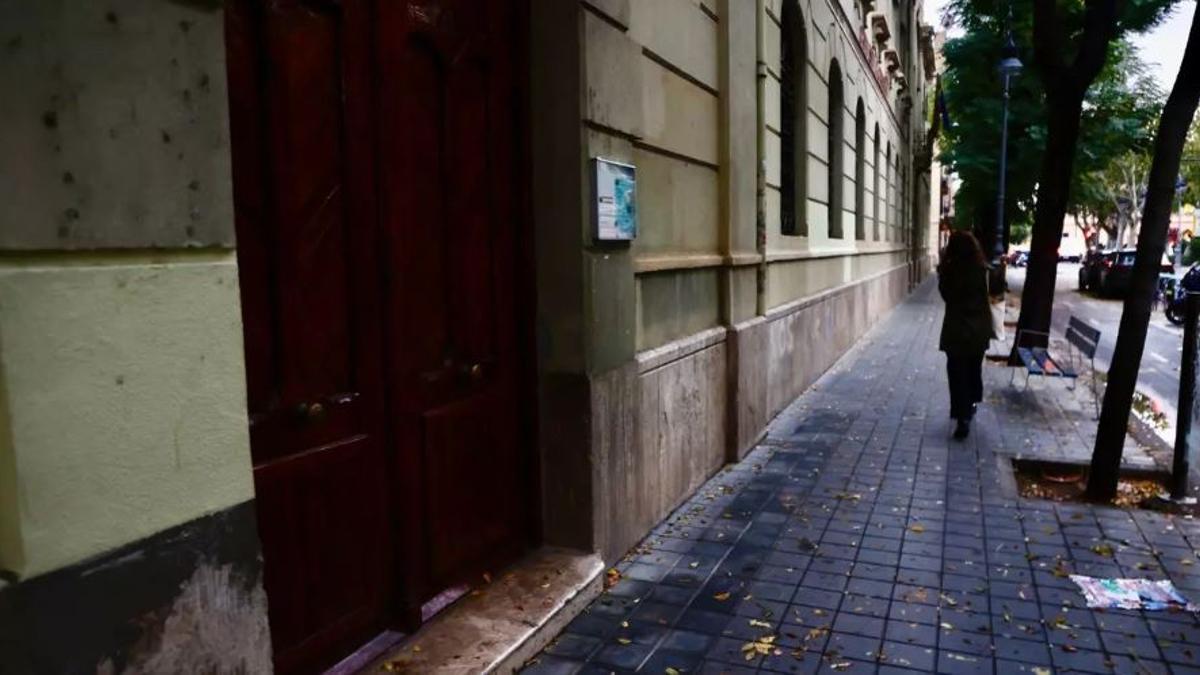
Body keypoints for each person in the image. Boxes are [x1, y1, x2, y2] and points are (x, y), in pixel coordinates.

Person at [938, 231, 997, 440]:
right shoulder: (982, 269)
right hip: (978, 329)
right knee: (973, 369)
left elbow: (946, 295)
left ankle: (962, 415)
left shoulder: (950, 270)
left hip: (956, 329)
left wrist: (943, 270)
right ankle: (970, 404)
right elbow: (993, 292)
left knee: (956, 373)